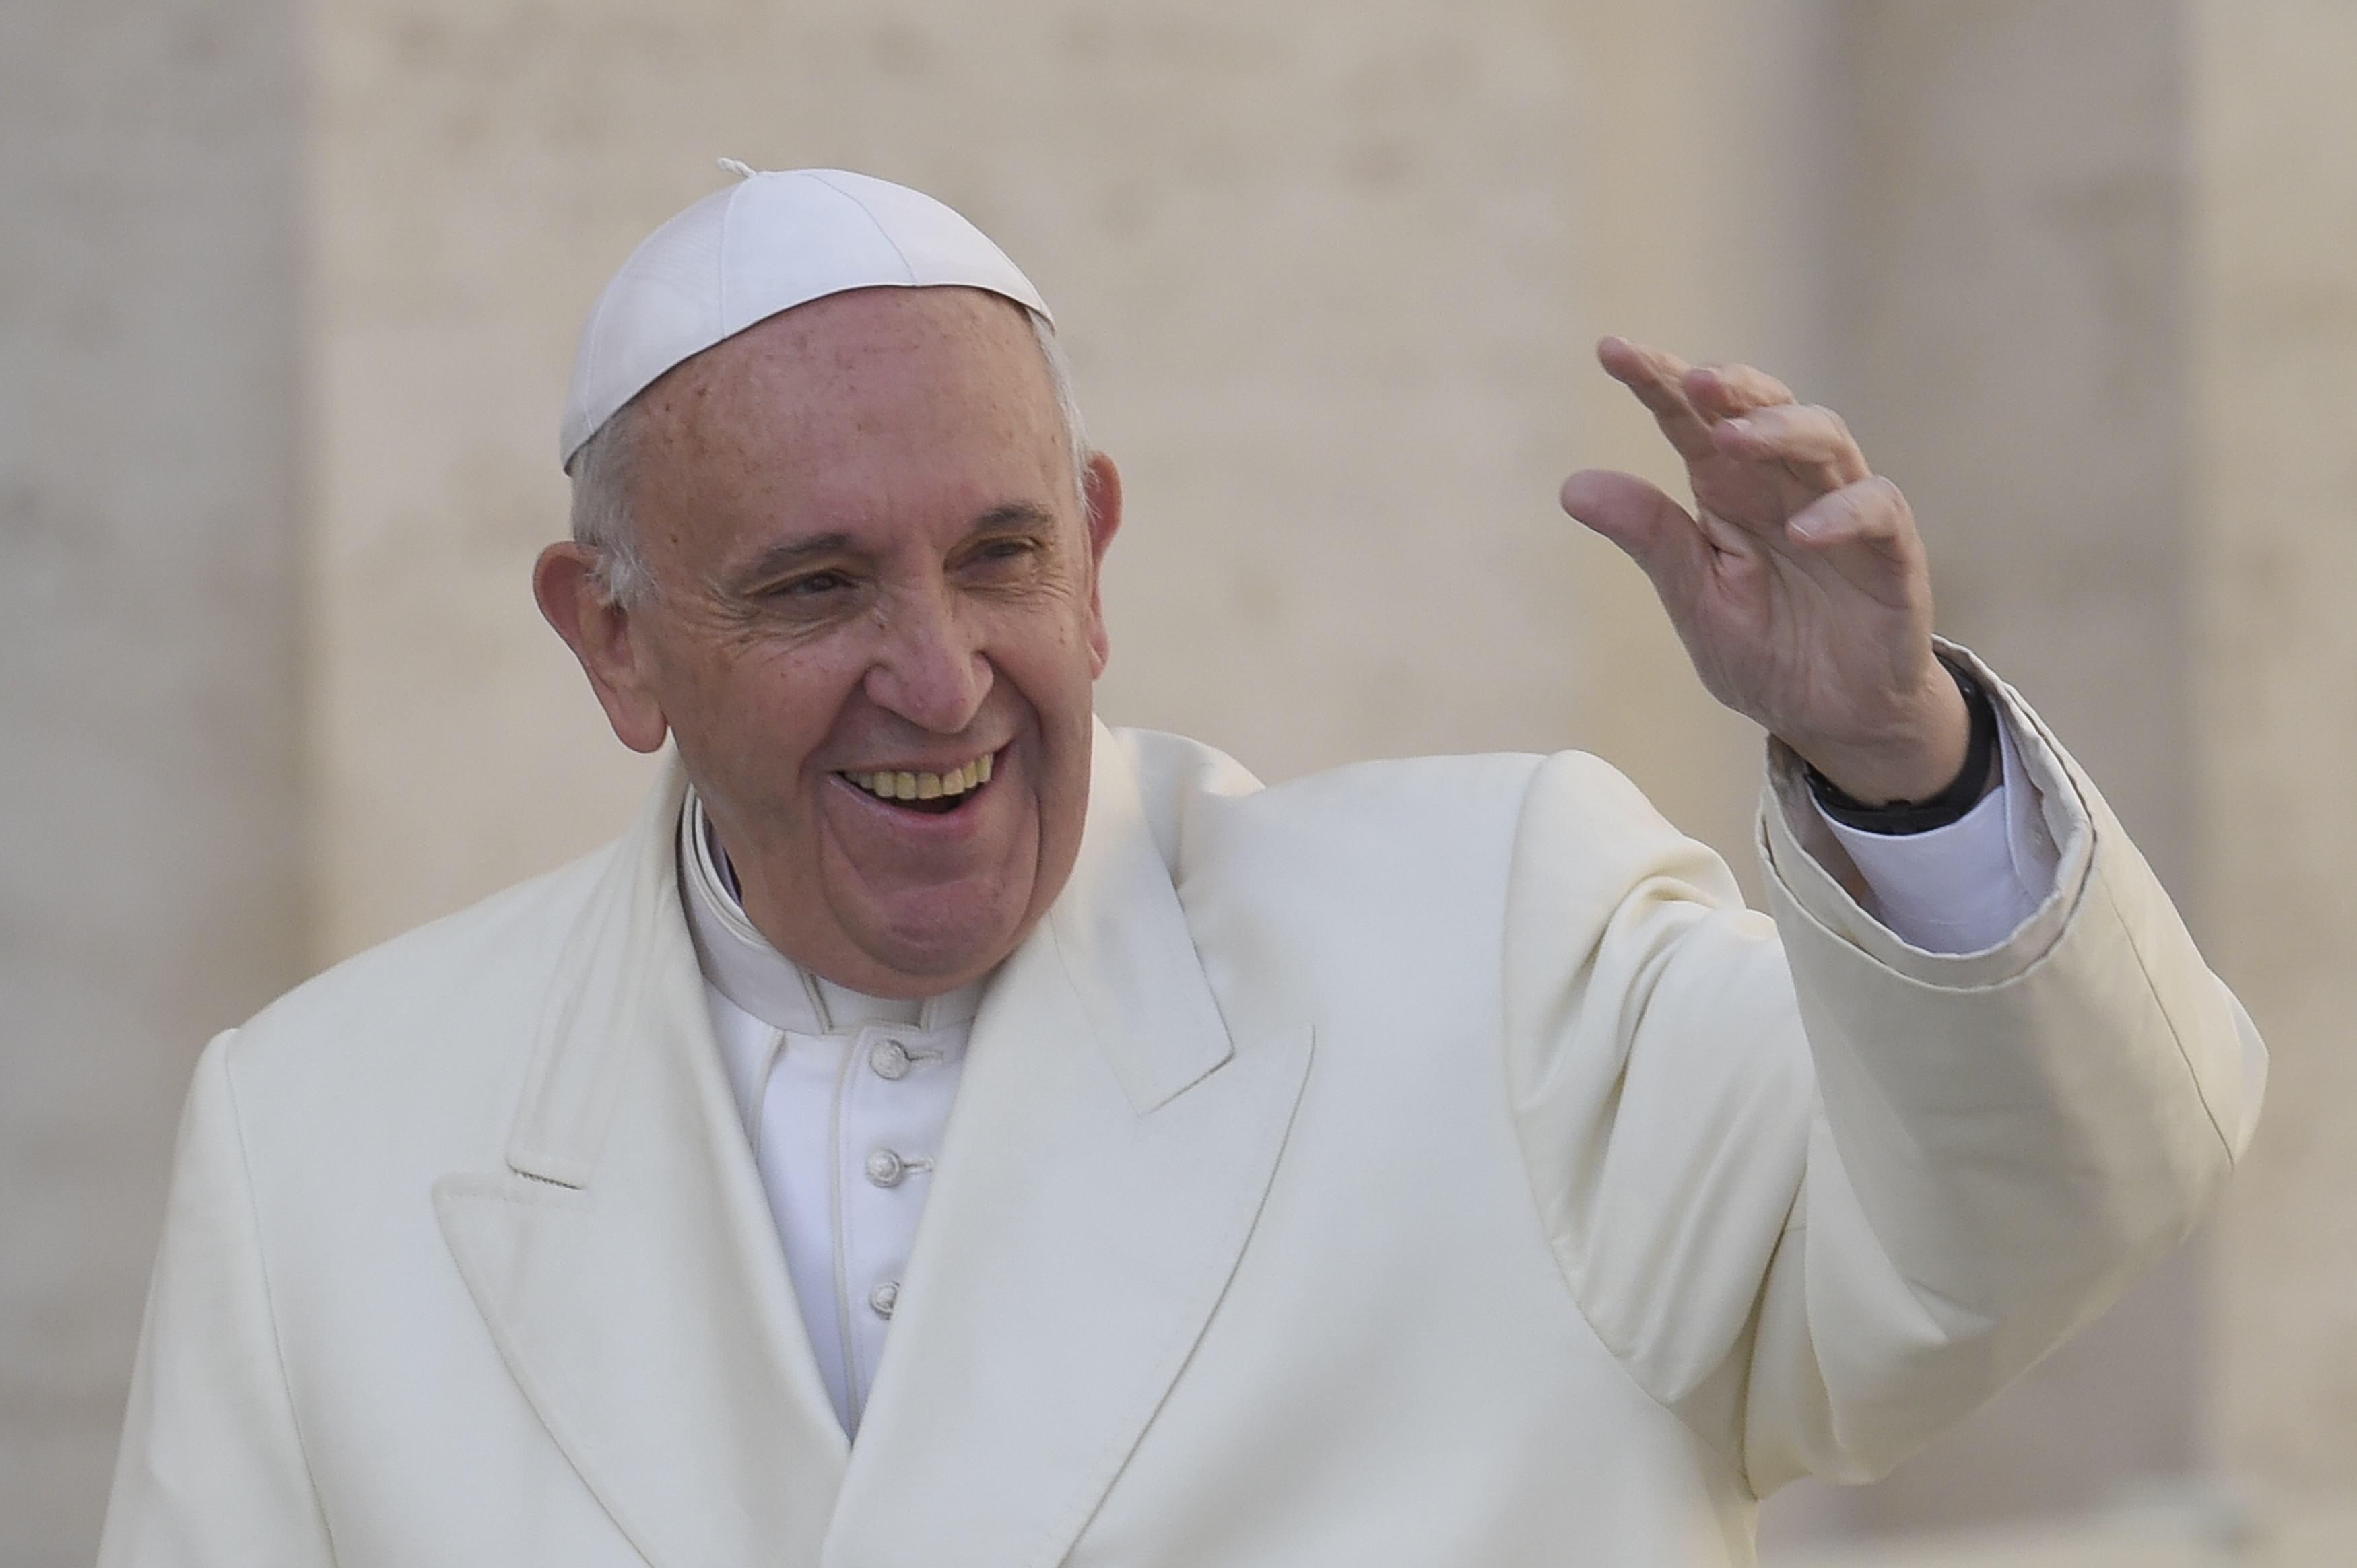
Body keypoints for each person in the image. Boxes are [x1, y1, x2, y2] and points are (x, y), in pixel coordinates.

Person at [98, 168, 2261, 1566]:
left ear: (1101, 554)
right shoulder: (320, 1141)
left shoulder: (1485, 946)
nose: (935, 678)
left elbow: (2033, 1223)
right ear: (612, 639)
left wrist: (1894, 761)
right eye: (818, 584)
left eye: (1002, 555)